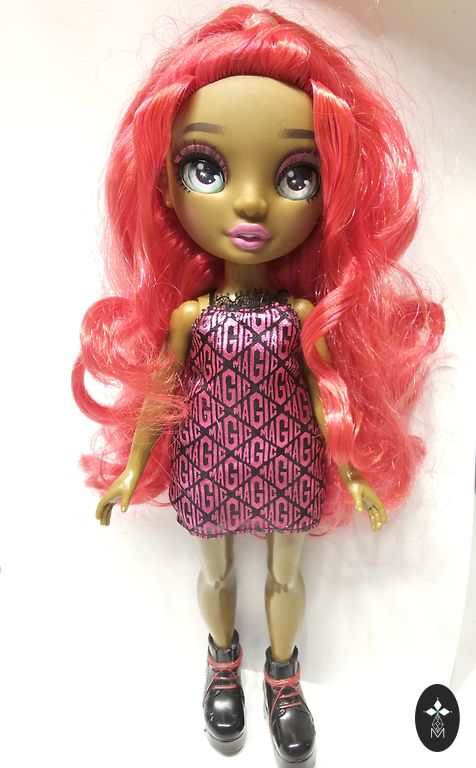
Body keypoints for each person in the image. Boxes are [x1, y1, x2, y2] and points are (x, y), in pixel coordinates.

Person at [72, 7, 444, 767]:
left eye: (295, 175)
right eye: (206, 169)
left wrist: (352, 471)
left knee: (284, 571)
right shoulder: (190, 318)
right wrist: (132, 471)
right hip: (207, 456)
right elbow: (161, 396)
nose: (249, 203)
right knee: (214, 567)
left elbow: (327, 395)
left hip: (288, 458)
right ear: (165, 186)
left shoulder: (302, 317)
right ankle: (221, 666)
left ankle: (283, 681)